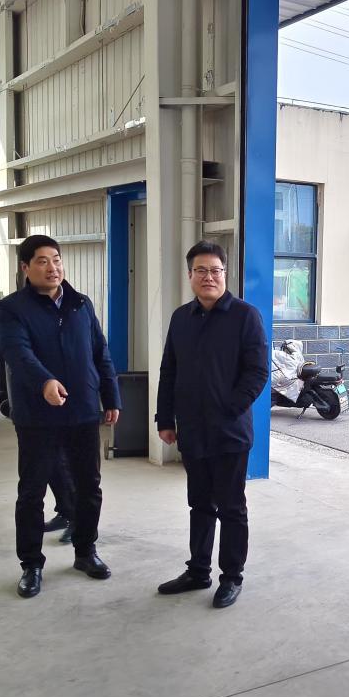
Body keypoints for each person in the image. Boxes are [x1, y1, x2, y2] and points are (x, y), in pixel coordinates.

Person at [0, 235, 121, 599]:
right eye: (42, 261)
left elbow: (100, 353)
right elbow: (17, 353)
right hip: (38, 417)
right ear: (25, 267)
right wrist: (44, 382)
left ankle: (86, 551)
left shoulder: (81, 304)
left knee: (89, 487)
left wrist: (110, 394)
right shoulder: (12, 309)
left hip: (83, 411)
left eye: (56, 260)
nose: (52, 268)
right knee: (32, 492)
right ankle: (31, 565)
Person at [155, 241, 269, 610]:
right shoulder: (181, 318)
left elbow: (257, 372)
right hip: (192, 430)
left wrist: (229, 409)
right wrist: (164, 418)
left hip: (230, 432)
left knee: (231, 507)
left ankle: (231, 576)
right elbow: (169, 370)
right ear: (190, 275)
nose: (209, 277)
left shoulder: (245, 316)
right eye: (201, 270)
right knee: (199, 504)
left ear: (225, 274)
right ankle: (198, 571)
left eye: (215, 270)